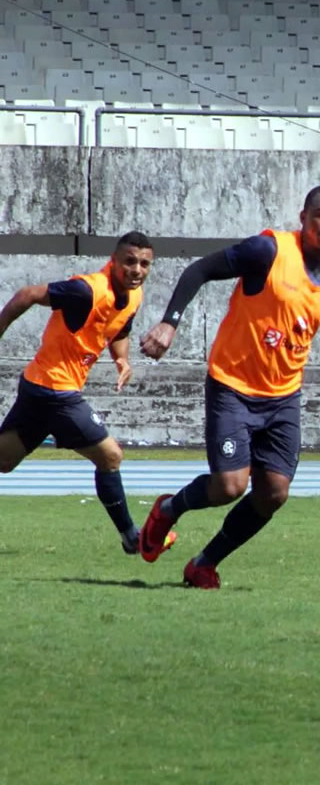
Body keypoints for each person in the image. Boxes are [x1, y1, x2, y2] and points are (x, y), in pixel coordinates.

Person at [137, 185, 320, 589]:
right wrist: (170, 322)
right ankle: (169, 509)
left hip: (282, 399)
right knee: (230, 485)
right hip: (233, 386)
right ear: (303, 217)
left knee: (273, 493)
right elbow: (200, 270)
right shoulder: (269, 251)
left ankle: (203, 563)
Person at [0, 232, 155, 554]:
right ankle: (131, 537)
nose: (136, 269)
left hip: (39, 386)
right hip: (55, 391)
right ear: (114, 261)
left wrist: (121, 358)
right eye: (129, 261)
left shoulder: (133, 295)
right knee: (110, 456)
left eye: (144, 263)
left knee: (4, 460)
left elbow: (119, 327)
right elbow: (28, 294)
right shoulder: (86, 289)